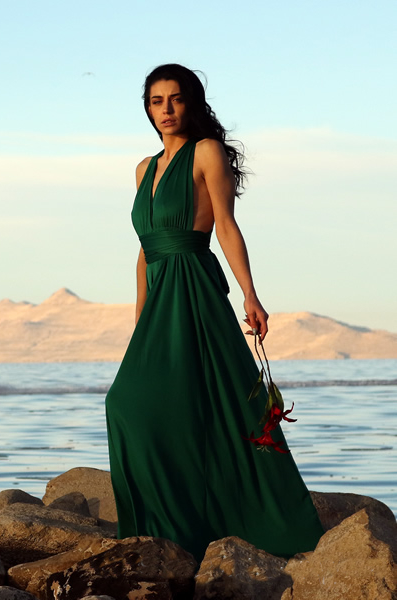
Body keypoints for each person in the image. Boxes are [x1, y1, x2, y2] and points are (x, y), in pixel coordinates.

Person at [104, 64, 324, 562]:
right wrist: (140, 324)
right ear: (147, 108)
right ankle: (167, 523)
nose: (166, 110)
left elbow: (225, 226)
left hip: (193, 289)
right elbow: (143, 250)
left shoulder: (206, 153)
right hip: (159, 294)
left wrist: (250, 294)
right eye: (157, 101)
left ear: (192, 103)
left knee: (204, 405)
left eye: (176, 99)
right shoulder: (143, 168)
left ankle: (232, 522)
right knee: (128, 404)